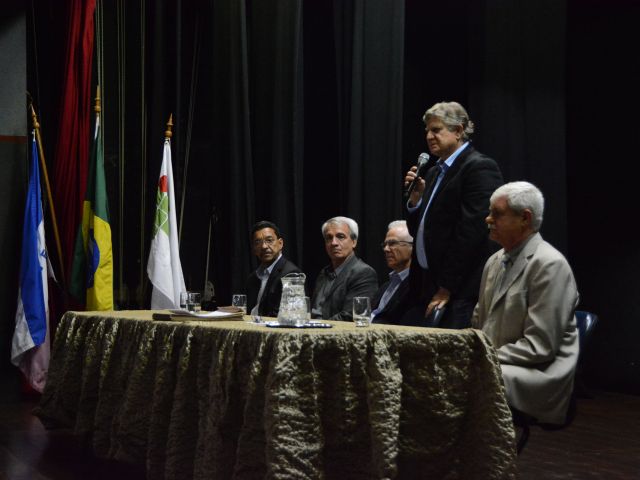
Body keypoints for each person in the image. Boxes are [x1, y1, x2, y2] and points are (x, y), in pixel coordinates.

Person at [471, 181, 579, 425]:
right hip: (499, 363)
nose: (488, 219)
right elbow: (478, 324)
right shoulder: (494, 262)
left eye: (496, 213)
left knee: (466, 377)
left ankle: (479, 460)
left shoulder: (549, 264)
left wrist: (481, 357)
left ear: (525, 218)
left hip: (539, 374)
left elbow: (540, 347)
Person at [404, 101, 503, 328]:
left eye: (436, 130)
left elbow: (473, 232)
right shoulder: (432, 173)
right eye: (427, 130)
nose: (429, 136)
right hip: (427, 285)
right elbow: (418, 231)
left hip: (459, 292)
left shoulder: (478, 167)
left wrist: (446, 287)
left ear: (458, 131)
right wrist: (415, 201)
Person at [311, 216, 378, 321]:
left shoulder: (364, 273)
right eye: (329, 238)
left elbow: (350, 316)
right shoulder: (324, 273)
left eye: (340, 236)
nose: (334, 243)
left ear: (354, 242)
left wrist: (317, 327)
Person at [246, 221, 302, 318]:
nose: (264, 246)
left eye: (269, 240)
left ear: (280, 243)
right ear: (254, 249)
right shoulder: (253, 278)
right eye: (258, 242)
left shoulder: (290, 274)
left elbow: (288, 316)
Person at [371, 220, 414, 325]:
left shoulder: (416, 286)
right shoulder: (386, 286)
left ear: (412, 246)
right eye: (385, 244)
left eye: (392, 243)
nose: (386, 249)